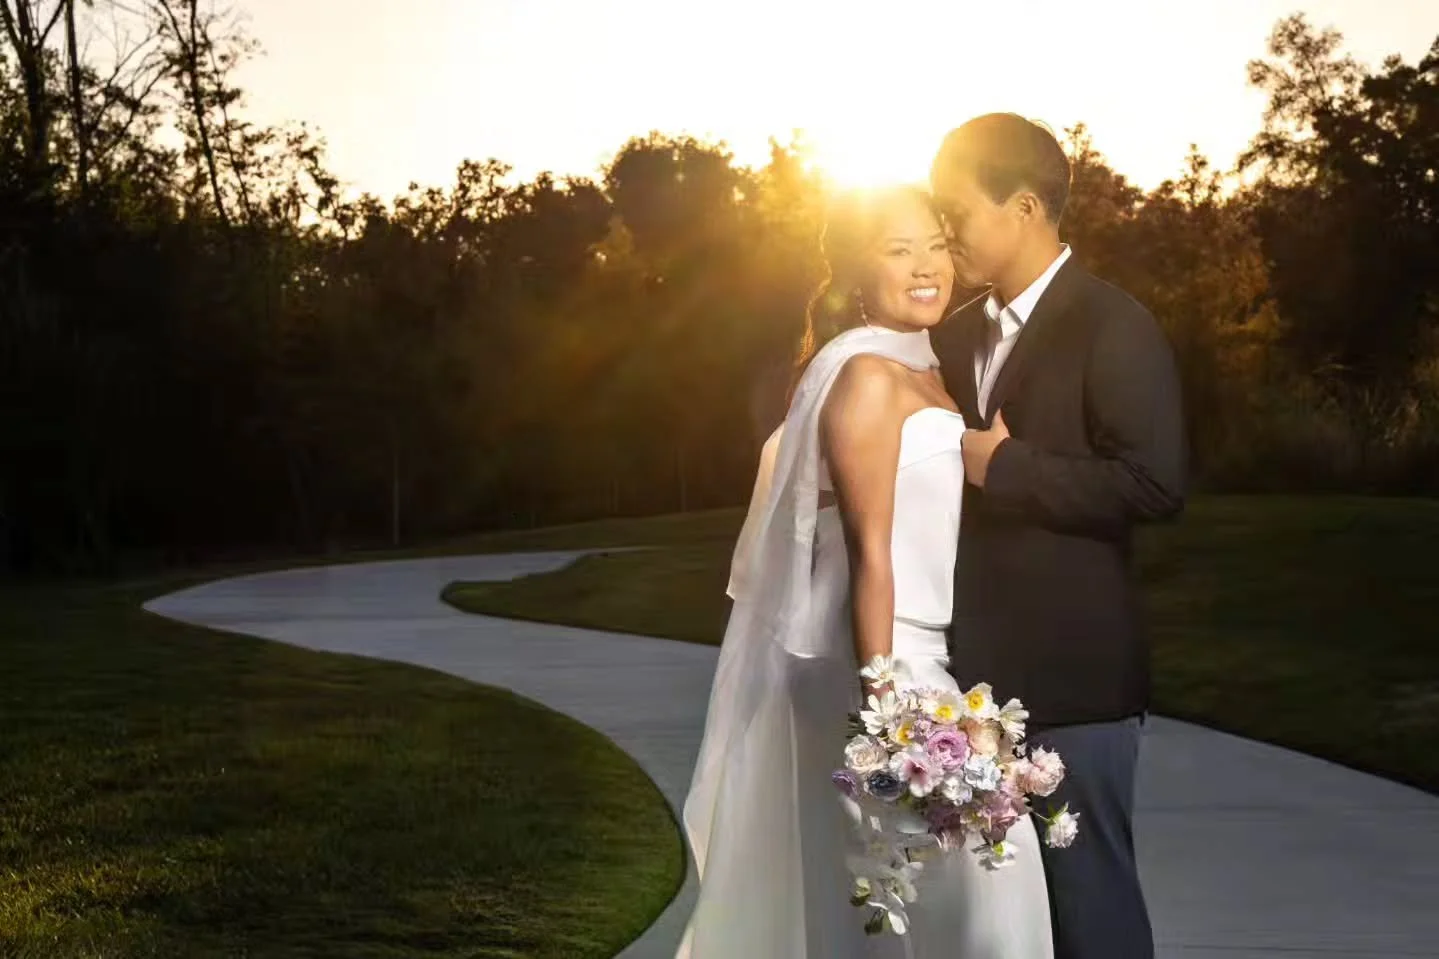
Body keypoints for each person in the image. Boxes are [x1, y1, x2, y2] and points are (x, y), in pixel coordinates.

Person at [677, 185, 1053, 958]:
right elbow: (869, 546)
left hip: (917, 649)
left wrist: (991, 455)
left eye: (936, 245)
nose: (926, 267)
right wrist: (882, 705)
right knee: (946, 892)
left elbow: (936, 487)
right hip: (876, 659)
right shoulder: (863, 379)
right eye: (897, 249)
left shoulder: (929, 375)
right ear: (857, 267)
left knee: (962, 891)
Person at [929, 113, 1187, 959]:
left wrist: (1006, 469)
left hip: (1074, 685)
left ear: (1026, 207)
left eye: (955, 209)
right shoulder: (952, 334)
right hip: (965, 689)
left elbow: (1154, 482)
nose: (943, 229)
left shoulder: (1112, 324)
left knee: (1088, 913)